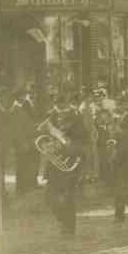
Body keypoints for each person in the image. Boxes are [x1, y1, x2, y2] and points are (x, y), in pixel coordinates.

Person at [41, 93, 86, 237]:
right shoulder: (51, 118)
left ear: (68, 105)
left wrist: (66, 146)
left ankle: (69, 228)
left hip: (71, 163)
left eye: (63, 105)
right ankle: (63, 220)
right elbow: (41, 136)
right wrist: (48, 144)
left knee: (67, 197)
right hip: (54, 164)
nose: (60, 108)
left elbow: (82, 143)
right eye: (58, 105)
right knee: (49, 197)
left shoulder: (77, 119)